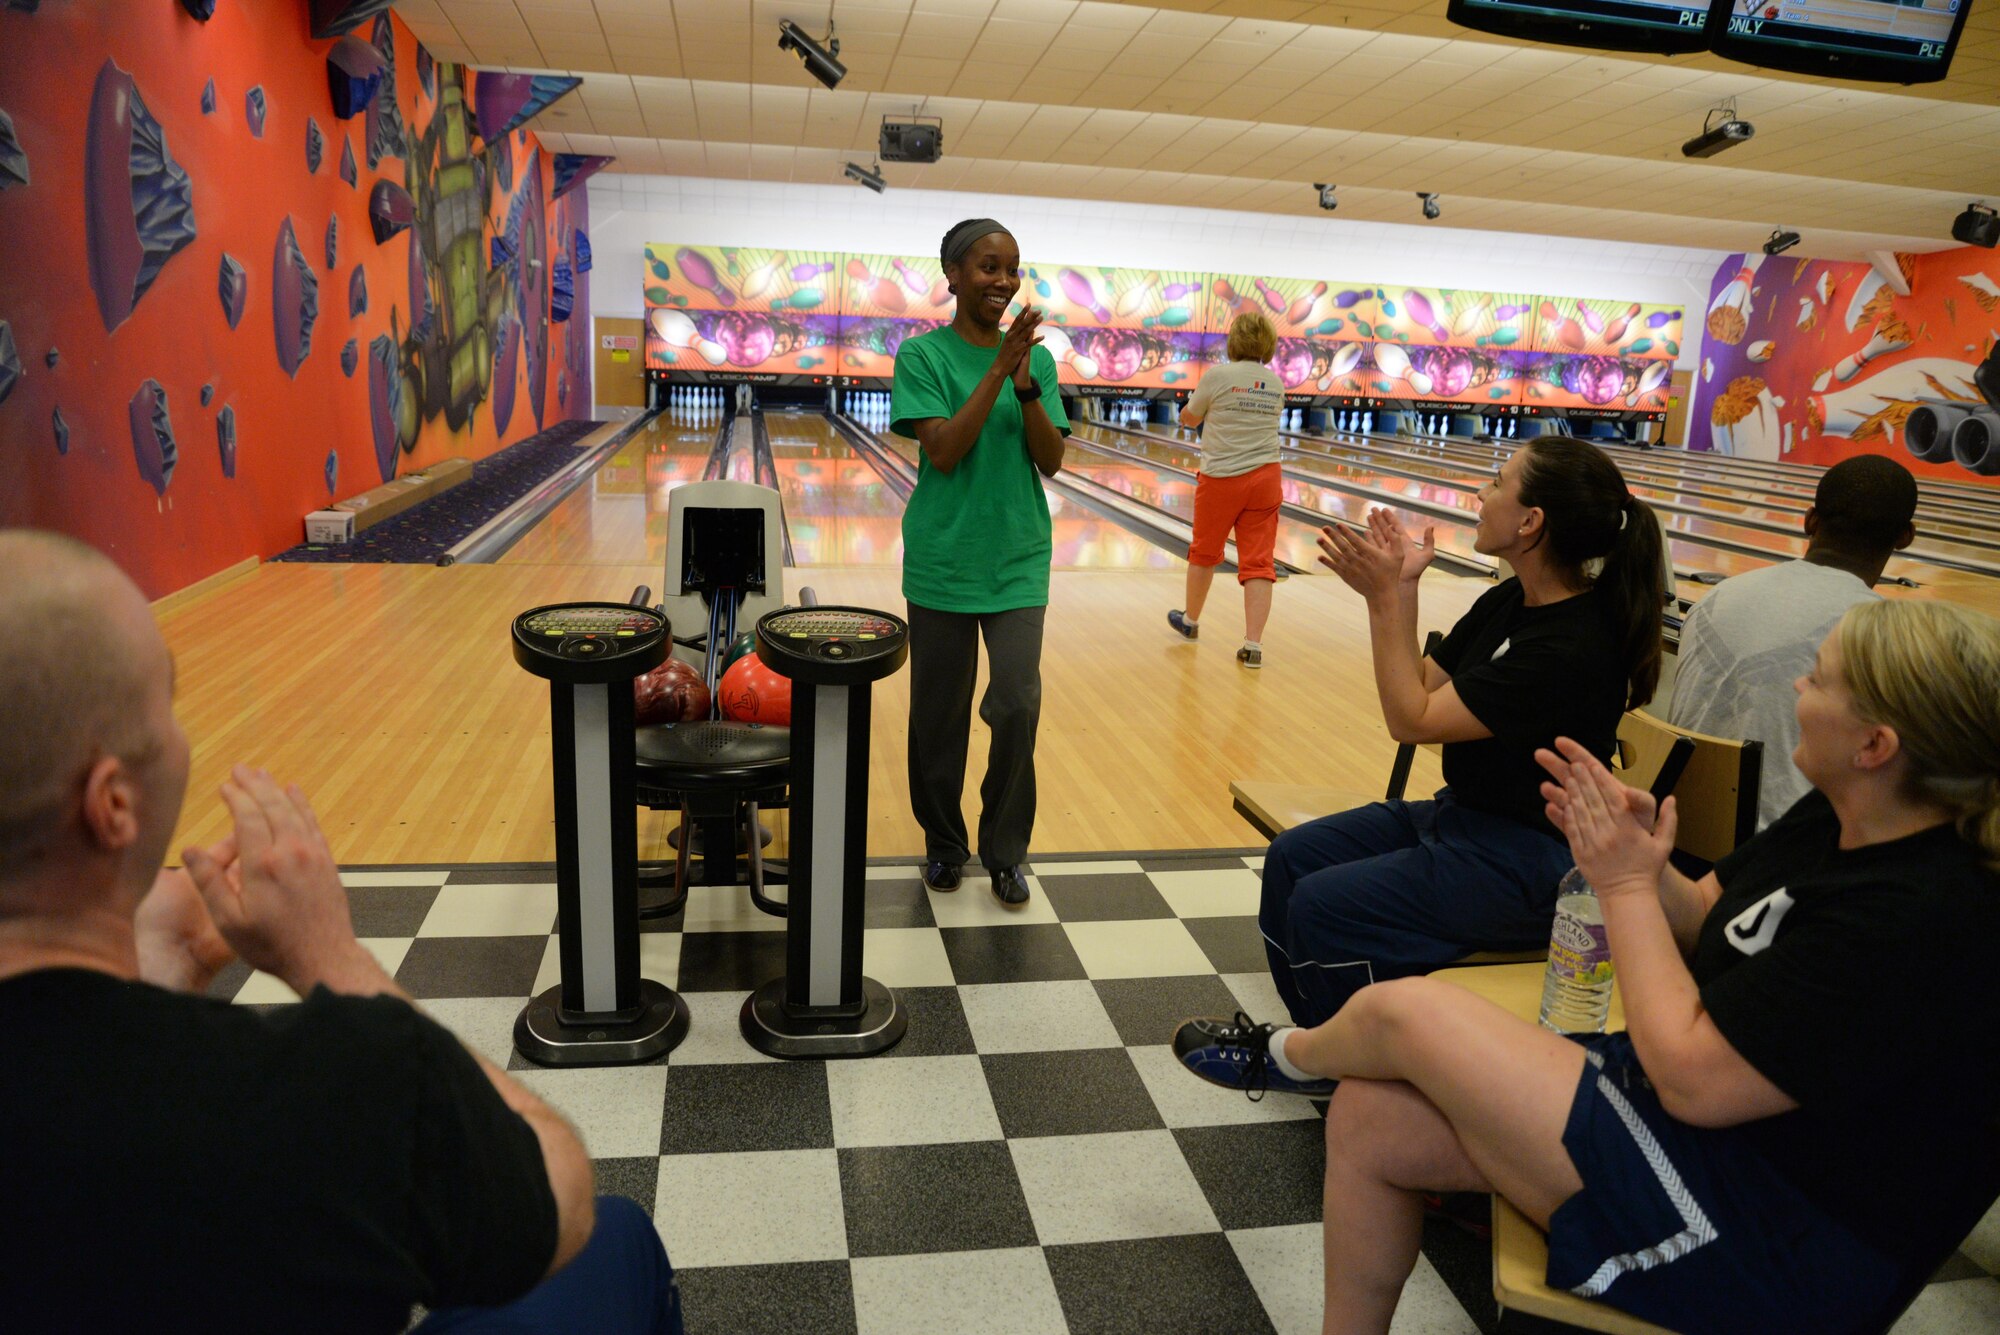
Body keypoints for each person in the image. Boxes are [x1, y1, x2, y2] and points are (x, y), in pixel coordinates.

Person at [1174, 598, 2000, 1335]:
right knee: (1370, 1117)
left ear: (1875, 744)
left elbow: (1692, 1078)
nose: (1797, 692)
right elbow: (1710, 915)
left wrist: (1626, 882)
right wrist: (1640, 860)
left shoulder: (1926, 911)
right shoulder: (1839, 816)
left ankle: (1285, 1056)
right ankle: (1314, 1083)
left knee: (1408, 1013)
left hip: (1779, 1238)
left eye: (1818, 682)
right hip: (1719, 1141)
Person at [0, 532, 682, 1335]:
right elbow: (550, 1195)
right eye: (168, 702)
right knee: (617, 1237)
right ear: (111, 805)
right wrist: (331, 955)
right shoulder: (318, 1085)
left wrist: (162, 960)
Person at [1262, 439, 1665, 1028]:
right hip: (1464, 819)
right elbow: (1422, 684)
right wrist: (1400, 589)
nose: (1480, 493)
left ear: (1531, 523)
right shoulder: (1510, 599)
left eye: (1497, 483)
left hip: (1528, 859)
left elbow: (1411, 720)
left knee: (1327, 907)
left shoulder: (1570, 648)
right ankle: (1320, 1036)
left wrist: (1381, 602)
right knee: (1293, 859)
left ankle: (1364, 1050)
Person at [890, 219, 1069, 909]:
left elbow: (1051, 459)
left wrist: (1025, 385)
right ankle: (944, 843)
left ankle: (1004, 851)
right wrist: (998, 369)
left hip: (1019, 557)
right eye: (988, 267)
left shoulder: (1039, 363)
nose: (1002, 281)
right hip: (943, 557)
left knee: (1018, 703)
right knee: (939, 715)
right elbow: (943, 451)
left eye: (1012, 268)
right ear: (954, 274)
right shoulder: (923, 356)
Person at [1670, 453, 1917, 829]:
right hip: (1775, 857)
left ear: (1809, 521)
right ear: (1906, 537)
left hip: (1675, 825)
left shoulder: (1719, 595)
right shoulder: (1883, 631)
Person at [1167, 311, 1285, 667]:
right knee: (1259, 563)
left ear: (1233, 342)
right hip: (1266, 477)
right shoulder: (1276, 384)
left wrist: (1184, 415)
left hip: (1221, 479)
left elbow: (1191, 416)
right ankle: (1254, 646)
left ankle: (1190, 622)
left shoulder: (1218, 376)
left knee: (1204, 552)